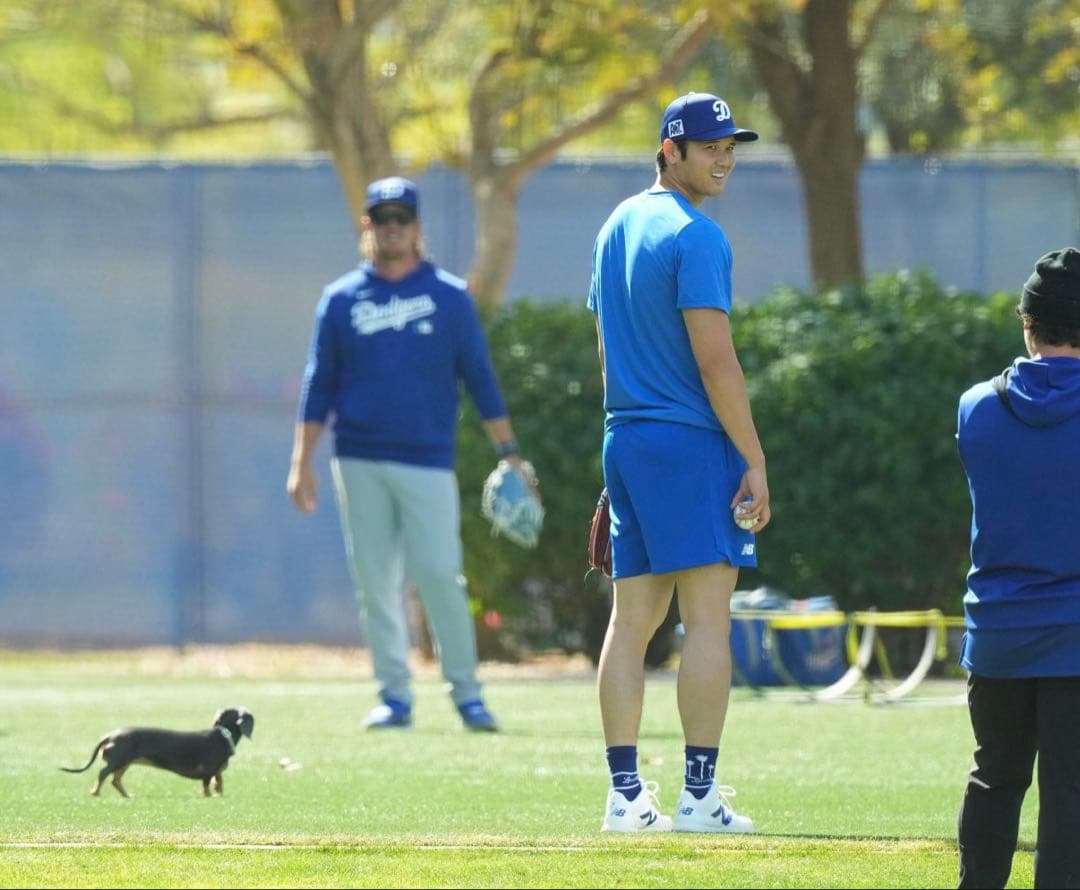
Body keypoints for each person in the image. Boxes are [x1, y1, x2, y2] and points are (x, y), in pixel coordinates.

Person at [587, 92, 770, 833]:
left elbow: (606, 351)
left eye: (730, 145)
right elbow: (716, 361)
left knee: (632, 622)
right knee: (706, 622)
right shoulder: (698, 235)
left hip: (627, 437)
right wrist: (753, 459)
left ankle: (624, 796)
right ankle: (698, 797)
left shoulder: (614, 226)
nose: (724, 156)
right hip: (691, 443)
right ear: (671, 149)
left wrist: (624, 448)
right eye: (709, 145)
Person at [287, 176, 529, 733]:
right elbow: (317, 383)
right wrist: (301, 461)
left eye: (402, 219)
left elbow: (480, 377)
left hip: (426, 458)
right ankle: (394, 696)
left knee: (442, 576)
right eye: (381, 219)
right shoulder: (341, 299)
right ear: (368, 228)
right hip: (359, 457)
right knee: (375, 581)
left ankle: (468, 695)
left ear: (417, 229)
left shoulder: (448, 297)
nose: (392, 228)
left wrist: (509, 453)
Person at [955, 247, 1080, 888]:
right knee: (1069, 794)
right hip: (1075, 639)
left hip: (998, 635)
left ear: (1026, 323)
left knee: (995, 777)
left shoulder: (977, 407)